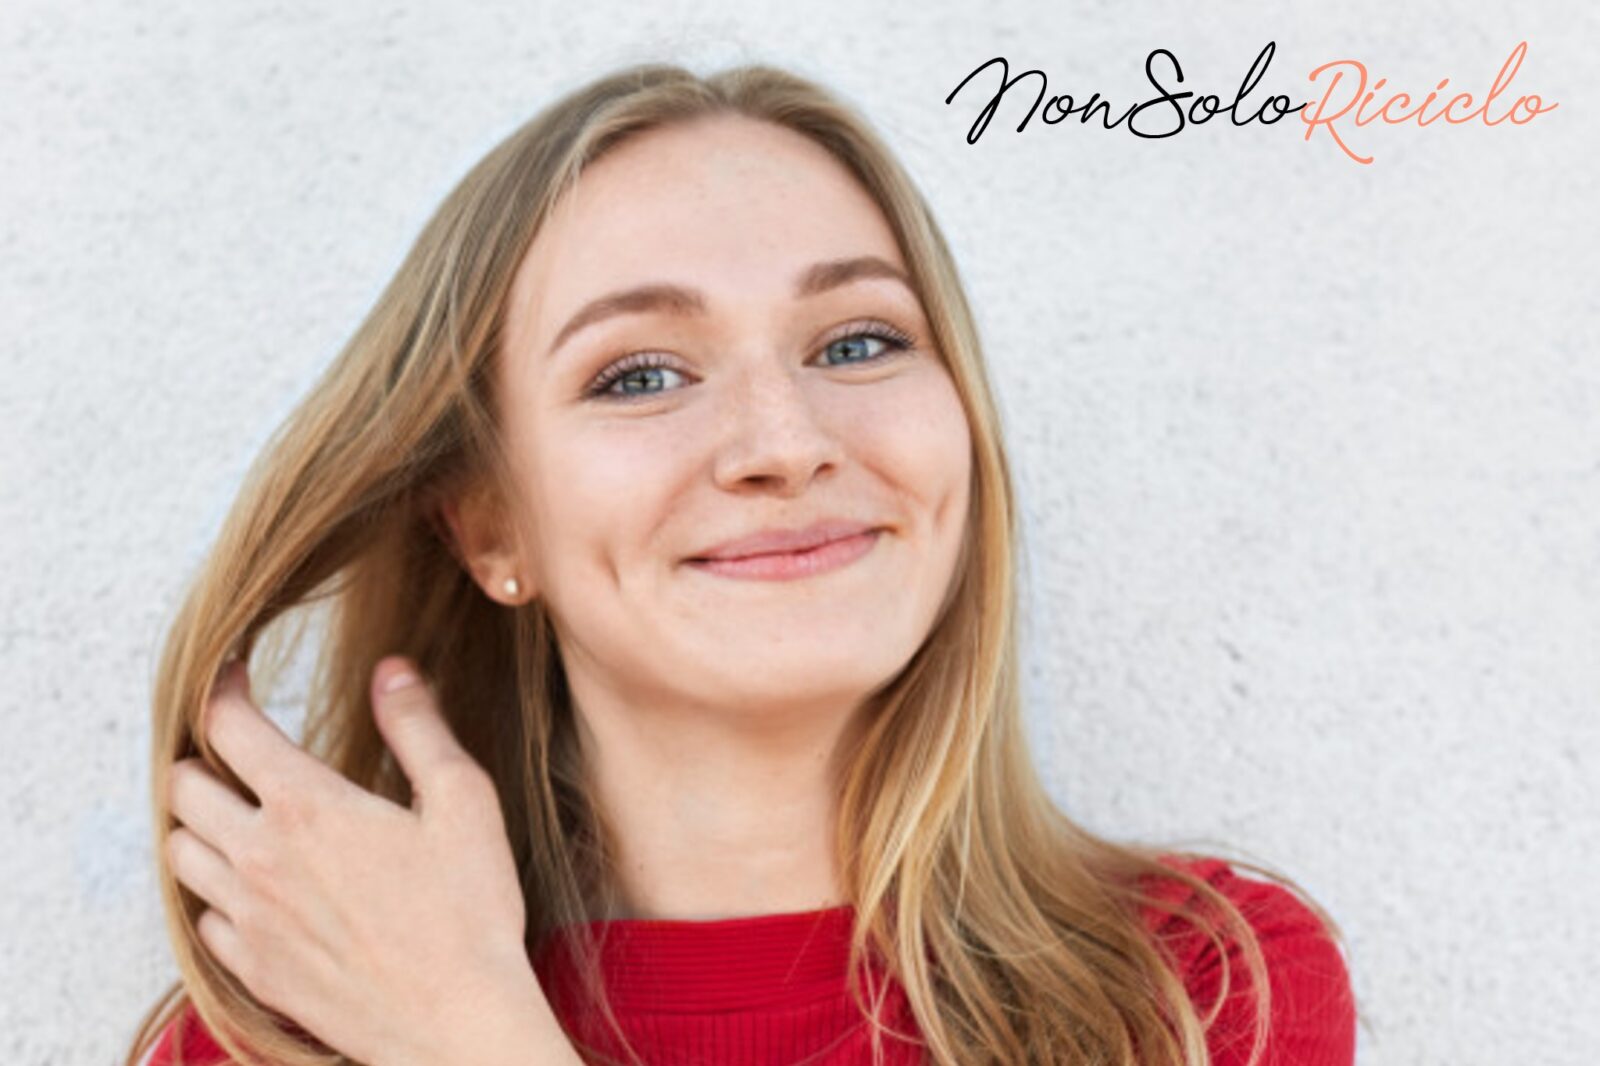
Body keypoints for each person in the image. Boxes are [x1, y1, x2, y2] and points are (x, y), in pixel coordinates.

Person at [124, 62, 1359, 1066]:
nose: (785, 443)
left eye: (858, 342)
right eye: (639, 374)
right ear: (490, 525)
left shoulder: (1200, 991)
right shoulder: (272, 1041)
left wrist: (471, 1042)